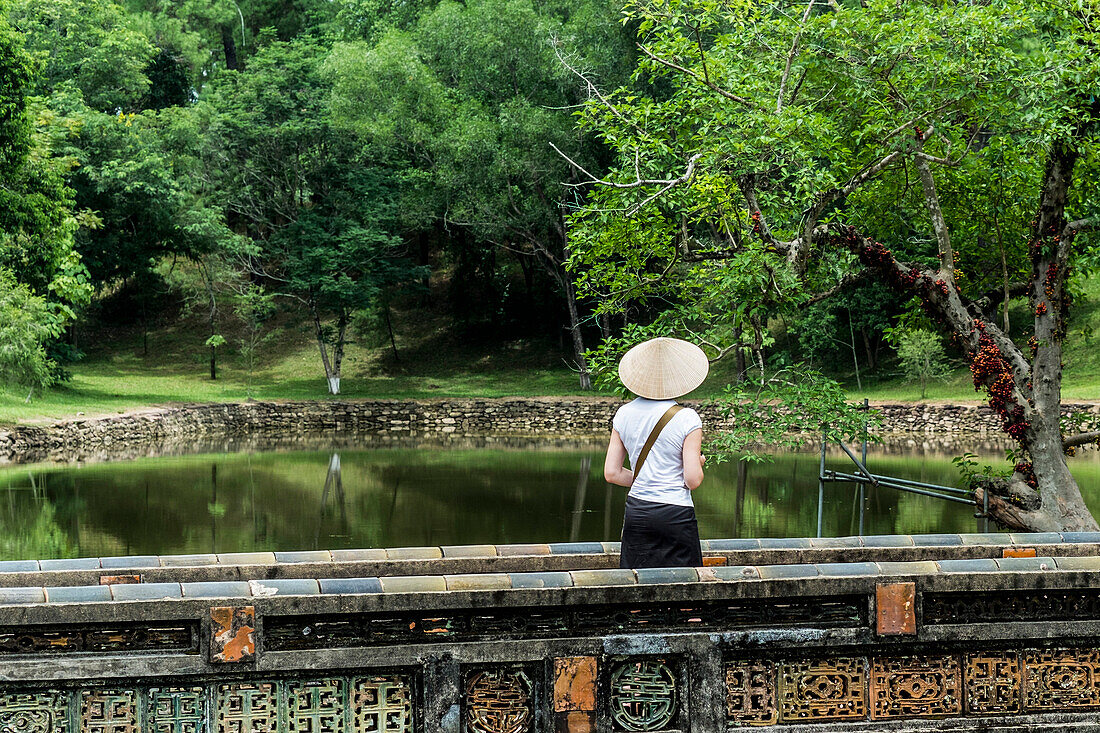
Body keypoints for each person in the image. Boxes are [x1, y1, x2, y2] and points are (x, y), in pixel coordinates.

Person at [603, 337, 708, 568]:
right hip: (675, 512)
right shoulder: (687, 417)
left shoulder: (623, 414)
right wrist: (698, 463)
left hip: (638, 509)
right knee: (686, 586)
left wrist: (647, 478)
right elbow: (692, 480)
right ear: (677, 379)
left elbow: (612, 473)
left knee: (635, 583)